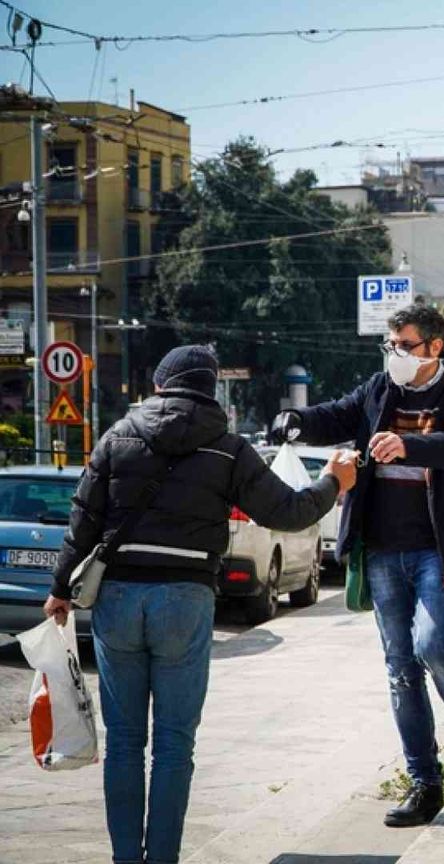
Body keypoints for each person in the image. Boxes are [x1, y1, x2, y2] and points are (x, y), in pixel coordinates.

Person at [45, 344, 356, 864]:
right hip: (185, 601)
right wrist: (334, 482)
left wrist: (59, 591)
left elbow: (83, 521)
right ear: (210, 390)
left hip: (118, 598)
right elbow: (288, 512)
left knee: (123, 741)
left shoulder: (117, 436)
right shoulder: (230, 449)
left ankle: (126, 858)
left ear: (160, 385)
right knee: (173, 744)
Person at [271, 301, 444, 826]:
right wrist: (297, 420)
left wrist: (409, 444)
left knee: (432, 644)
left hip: (439, 547)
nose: (394, 354)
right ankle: (424, 781)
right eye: (390, 345)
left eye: (405, 345)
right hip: (381, 547)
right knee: (400, 668)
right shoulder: (381, 388)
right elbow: (339, 413)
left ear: (434, 348)